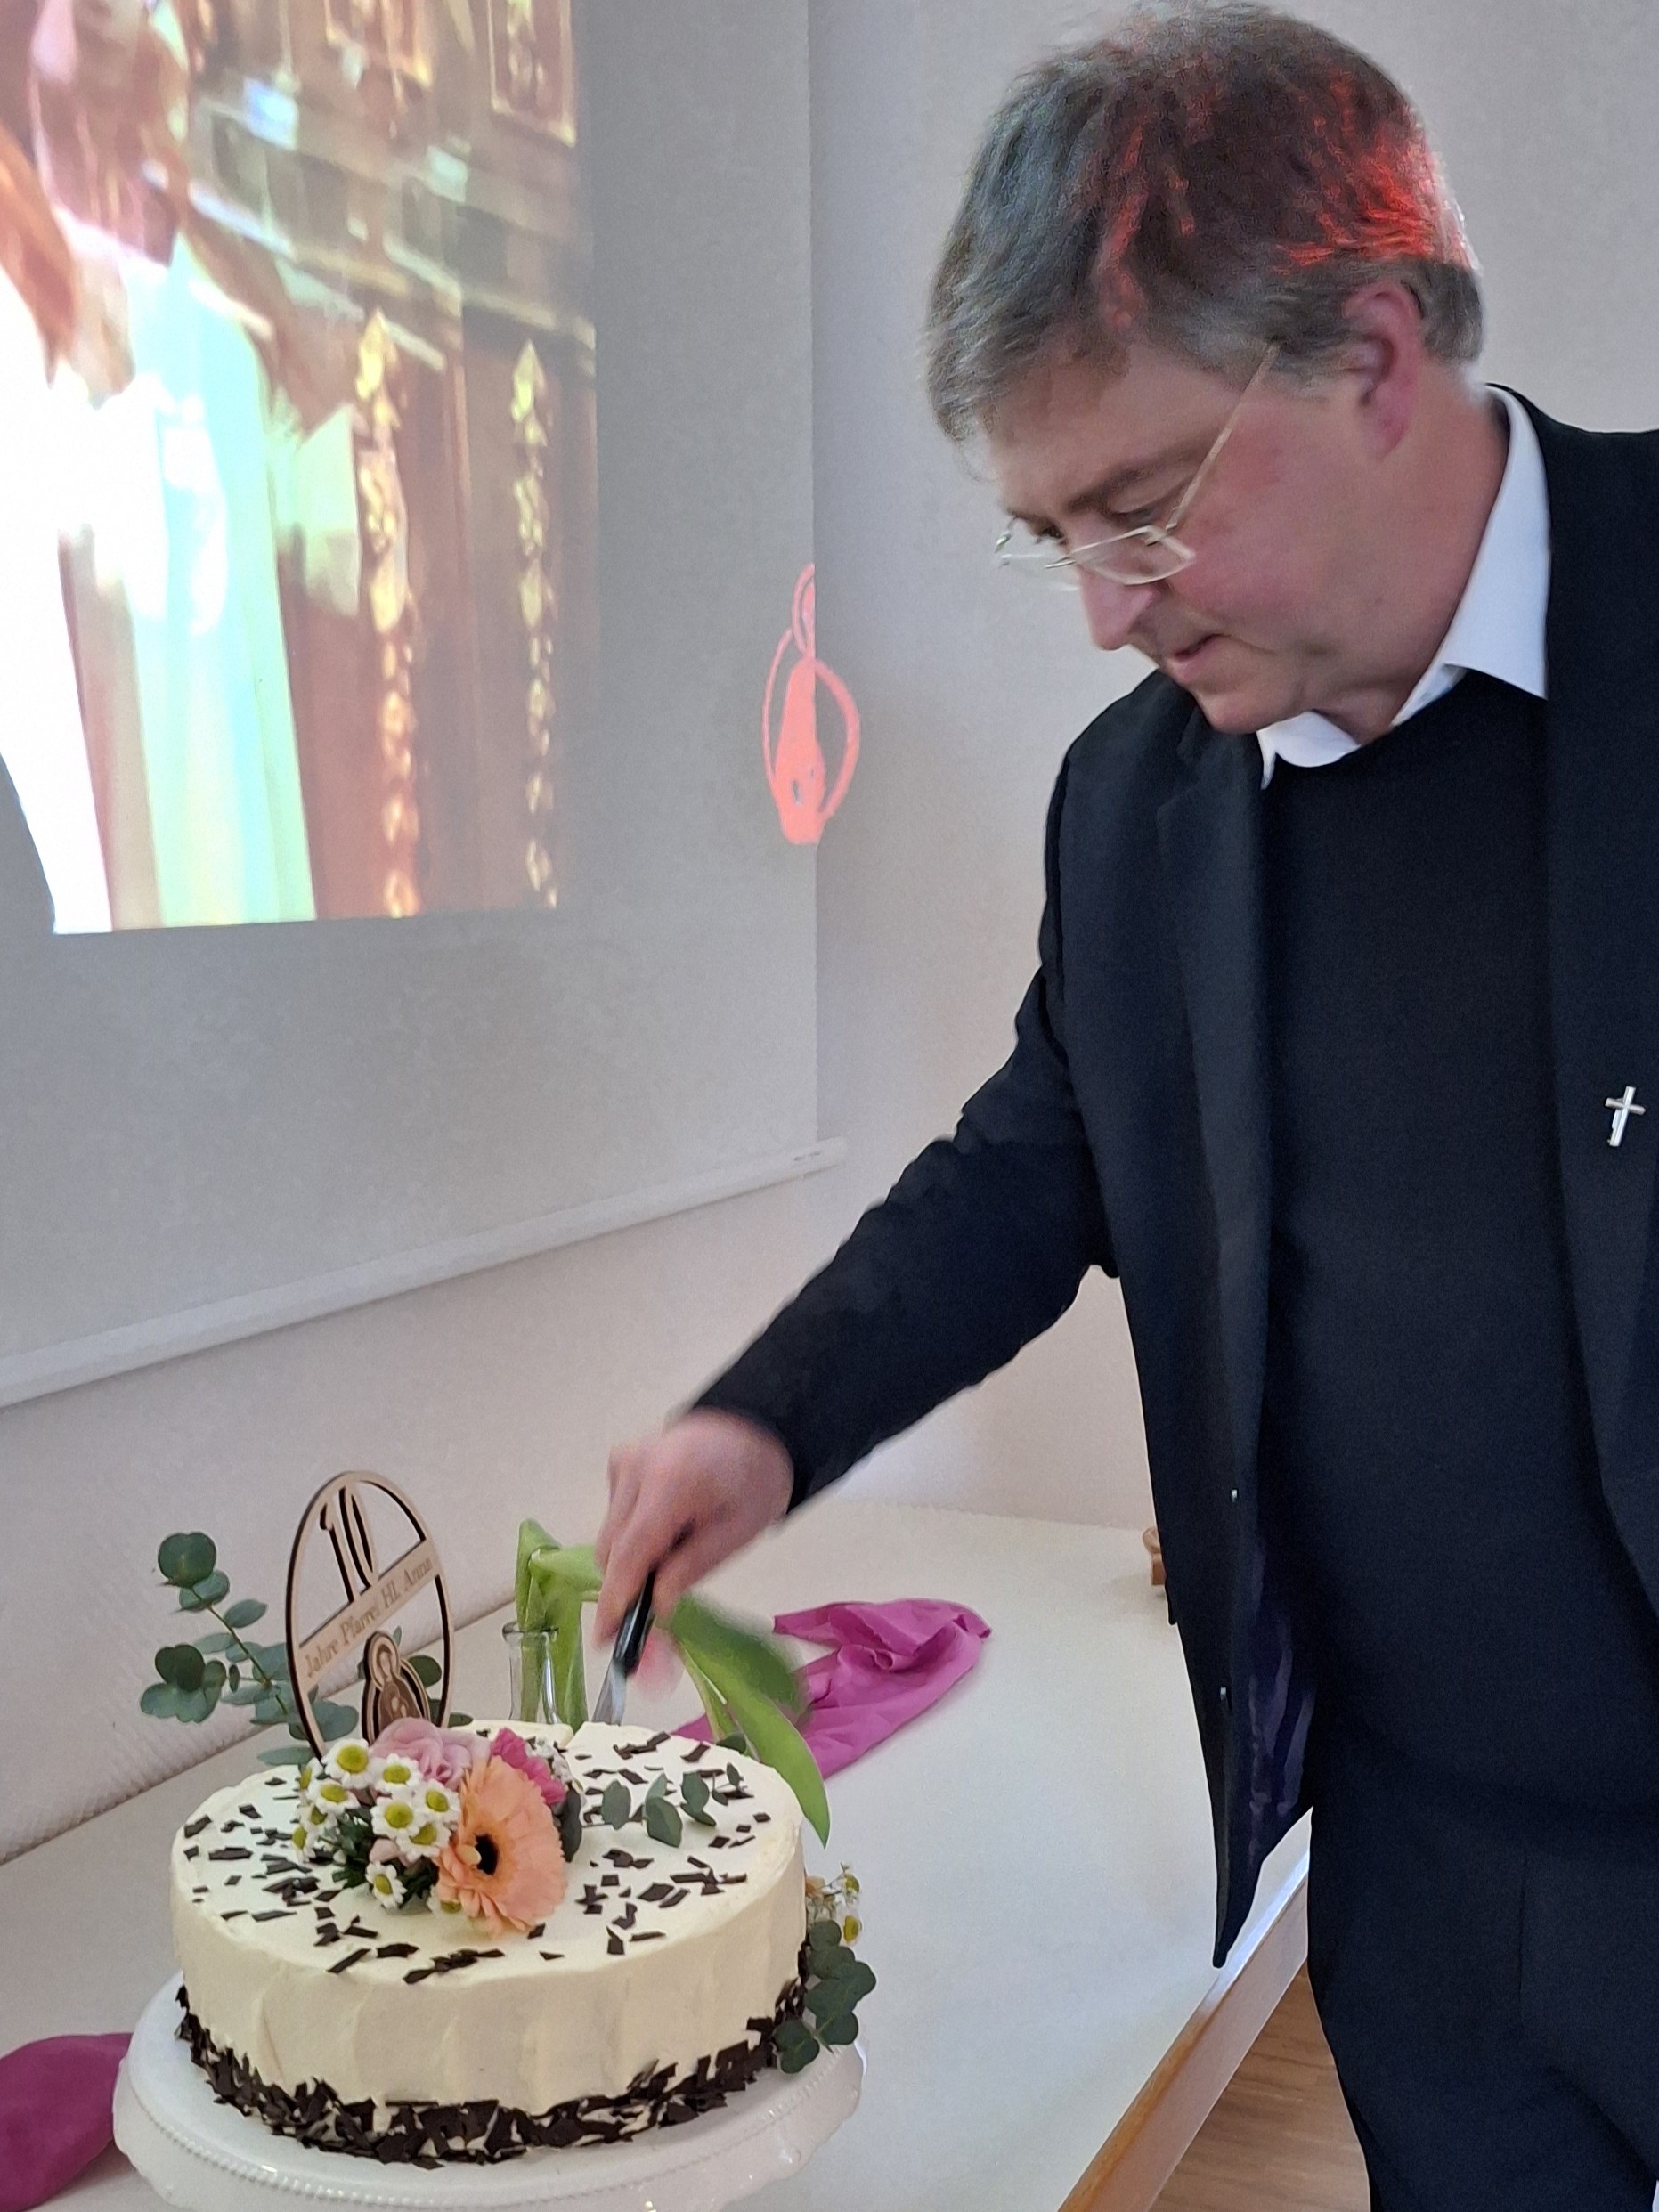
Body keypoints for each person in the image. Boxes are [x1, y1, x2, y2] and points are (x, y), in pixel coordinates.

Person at [596, 7, 1659, 2204]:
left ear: (1371, 353)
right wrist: (766, 1416)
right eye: (1046, 536)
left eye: (1141, 509)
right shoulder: (1137, 804)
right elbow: (1039, 1155)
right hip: (1422, 1864)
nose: (1097, 614)